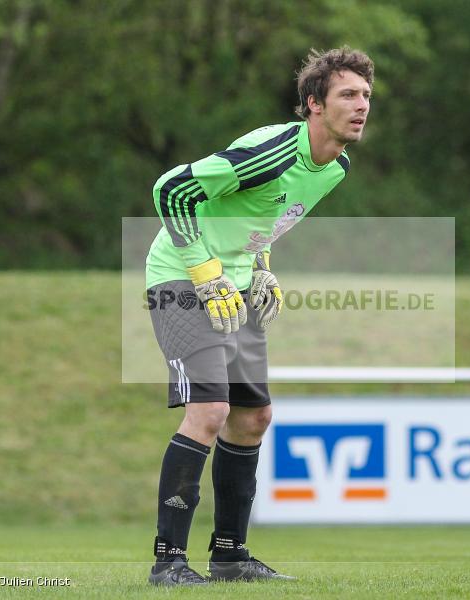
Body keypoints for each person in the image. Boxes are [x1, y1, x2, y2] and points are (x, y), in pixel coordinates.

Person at [144, 46, 374, 586]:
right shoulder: (272, 150)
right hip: (180, 279)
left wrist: (263, 265)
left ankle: (229, 556)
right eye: (348, 94)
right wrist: (204, 270)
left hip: (237, 287)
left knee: (252, 418)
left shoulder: (334, 168)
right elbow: (171, 189)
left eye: (366, 95)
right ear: (314, 104)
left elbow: (258, 218)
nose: (361, 105)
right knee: (210, 410)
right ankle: (168, 562)